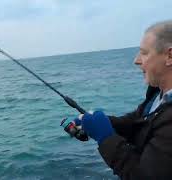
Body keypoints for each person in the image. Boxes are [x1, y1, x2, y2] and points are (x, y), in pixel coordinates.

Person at [72, 20, 172, 179]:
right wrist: (106, 123)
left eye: (144, 53)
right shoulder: (156, 94)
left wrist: (106, 138)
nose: (136, 60)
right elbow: (138, 123)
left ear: (169, 56)